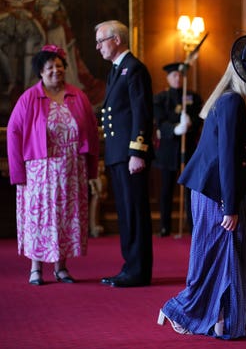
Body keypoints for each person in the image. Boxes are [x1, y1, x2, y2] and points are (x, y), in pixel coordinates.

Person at [158, 35, 246, 338]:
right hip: (215, 191)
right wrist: (229, 206)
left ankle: (225, 318)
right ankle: (185, 312)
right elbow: (227, 158)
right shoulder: (231, 102)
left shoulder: (235, 101)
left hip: (222, 190)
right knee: (220, 254)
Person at [6, 44, 99, 285]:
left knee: (66, 217)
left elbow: (91, 131)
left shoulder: (78, 96)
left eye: (59, 66)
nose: (55, 71)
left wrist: (91, 169)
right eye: (49, 68)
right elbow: (14, 133)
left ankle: (62, 267)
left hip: (71, 169)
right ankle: (36, 267)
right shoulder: (29, 98)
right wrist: (17, 172)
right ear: (40, 72)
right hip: (39, 171)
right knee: (40, 218)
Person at [96, 20, 154, 288]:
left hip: (130, 155)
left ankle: (138, 271)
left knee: (134, 213)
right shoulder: (116, 71)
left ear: (116, 39)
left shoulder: (134, 69)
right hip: (118, 154)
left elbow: (141, 112)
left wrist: (137, 152)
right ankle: (130, 266)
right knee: (125, 212)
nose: (97, 47)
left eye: (101, 41)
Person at [153, 62, 202, 236]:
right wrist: (175, 128)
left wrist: (190, 123)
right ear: (168, 78)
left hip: (187, 150)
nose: (177, 78)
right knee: (166, 190)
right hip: (168, 151)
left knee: (190, 191)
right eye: (174, 75)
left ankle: (191, 225)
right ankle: (165, 227)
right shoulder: (161, 98)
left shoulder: (193, 97)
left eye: (180, 75)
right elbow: (160, 121)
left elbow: (199, 119)